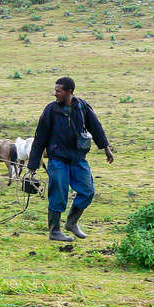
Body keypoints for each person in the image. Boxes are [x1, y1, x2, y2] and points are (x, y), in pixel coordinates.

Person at [27, 77, 114, 241]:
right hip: (58, 159)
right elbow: (40, 138)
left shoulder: (82, 107)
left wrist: (106, 149)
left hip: (78, 158)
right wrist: (33, 164)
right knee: (58, 193)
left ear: (69, 91)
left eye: (58, 91)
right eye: (55, 90)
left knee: (88, 191)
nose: (55, 94)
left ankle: (72, 222)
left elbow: (96, 127)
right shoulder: (51, 110)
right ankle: (54, 231)